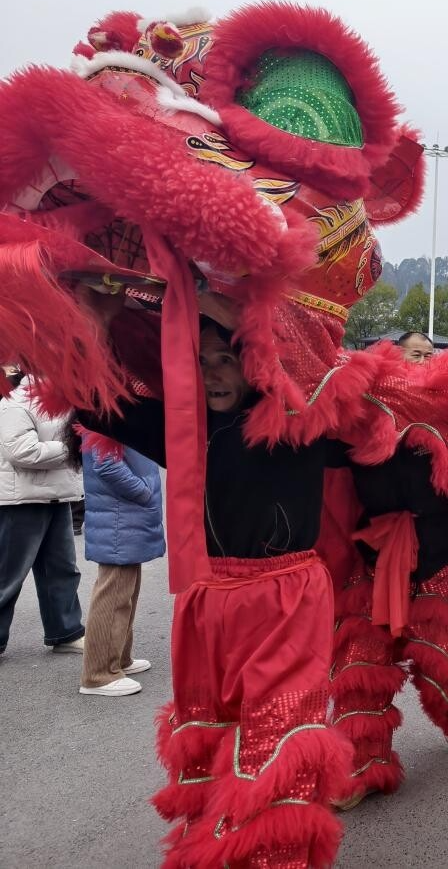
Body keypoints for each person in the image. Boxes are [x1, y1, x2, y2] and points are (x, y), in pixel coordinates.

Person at [85, 321, 354, 866]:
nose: (211, 374)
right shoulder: (184, 425)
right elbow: (93, 399)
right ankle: (218, 843)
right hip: (206, 602)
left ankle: (275, 855)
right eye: (200, 360)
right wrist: (97, 313)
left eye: (224, 359)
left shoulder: (300, 420)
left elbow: (314, 371)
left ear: (256, 361)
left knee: (275, 732)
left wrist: (216, 299)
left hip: (286, 600)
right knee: (212, 727)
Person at [0, 366, 85, 658]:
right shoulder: (17, 400)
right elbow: (20, 450)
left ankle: (66, 631)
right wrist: (70, 449)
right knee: (7, 575)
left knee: (61, 570)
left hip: (56, 495)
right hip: (20, 501)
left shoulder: (62, 398)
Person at [76, 438, 165, 697]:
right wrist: (144, 491)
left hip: (124, 514)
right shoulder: (104, 410)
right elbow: (106, 465)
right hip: (120, 514)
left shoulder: (112, 409)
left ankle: (119, 659)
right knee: (114, 593)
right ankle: (98, 674)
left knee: (125, 591)